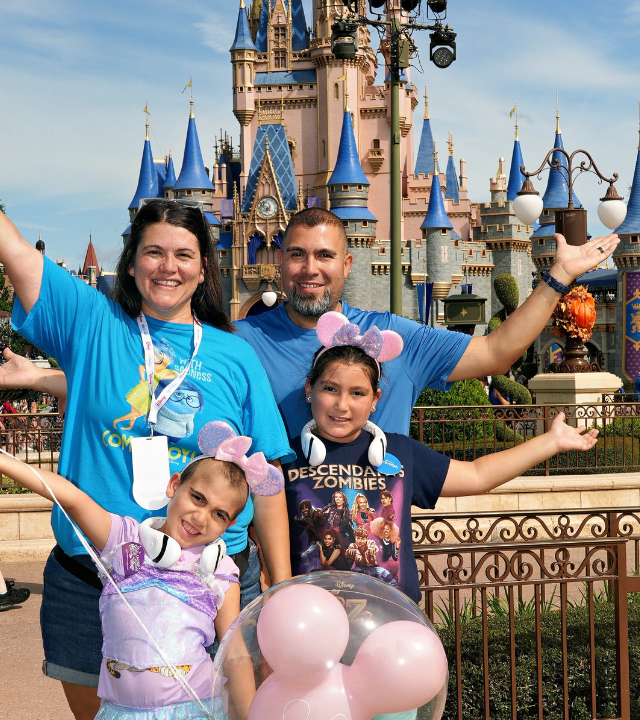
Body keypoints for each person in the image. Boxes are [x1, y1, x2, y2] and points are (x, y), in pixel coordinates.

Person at [0, 201, 293, 720]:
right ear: (131, 261)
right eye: (153, 251)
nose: (168, 266)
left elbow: (265, 483)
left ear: (204, 268)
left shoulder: (235, 355)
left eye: (184, 254)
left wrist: (284, 588)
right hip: (93, 579)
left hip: (210, 583)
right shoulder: (92, 323)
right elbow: (18, 253)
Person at [282, 312, 599, 603]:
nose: (342, 405)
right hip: (312, 621)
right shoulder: (285, 459)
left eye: (357, 393)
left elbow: (477, 474)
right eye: (330, 389)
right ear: (310, 389)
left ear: (375, 400)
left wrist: (551, 442)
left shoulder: (400, 452)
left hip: (390, 620)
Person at [0, 422, 272, 720]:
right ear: (174, 484)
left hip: (196, 710)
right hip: (119, 712)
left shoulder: (219, 572)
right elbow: (72, 498)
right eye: (198, 497)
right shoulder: (123, 539)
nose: (201, 517)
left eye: (219, 514)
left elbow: (234, 654)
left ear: (230, 525)